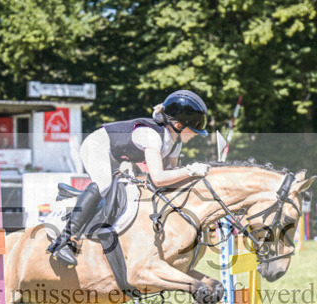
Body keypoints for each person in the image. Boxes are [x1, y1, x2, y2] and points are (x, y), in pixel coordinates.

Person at [48, 89, 212, 265]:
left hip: (117, 156)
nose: (196, 134)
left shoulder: (176, 143)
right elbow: (158, 178)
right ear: (178, 125)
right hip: (98, 145)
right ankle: (64, 240)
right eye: (193, 130)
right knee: (103, 184)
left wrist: (188, 176)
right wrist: (190, 171)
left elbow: (170, 176)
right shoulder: (151, 135)